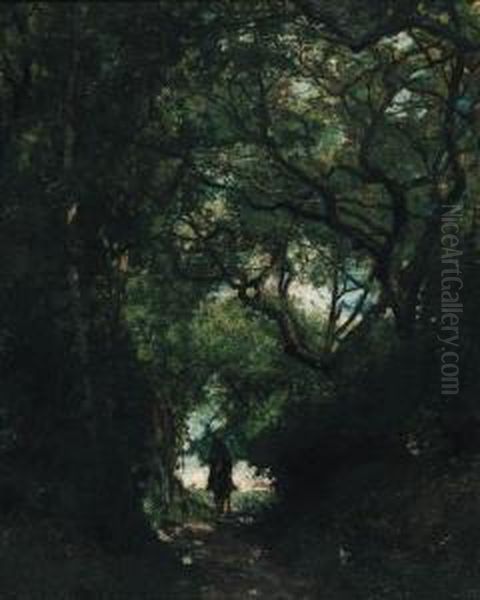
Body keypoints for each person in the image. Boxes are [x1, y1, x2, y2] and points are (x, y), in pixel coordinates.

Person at [207, 435, 235, 515]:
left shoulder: (224, 449)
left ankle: (227, 507)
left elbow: (229, 461)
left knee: (227, 482)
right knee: (213, 480)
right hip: (217, 470)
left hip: (224, 470)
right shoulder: (214, 449)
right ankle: (220, 507)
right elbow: (210, 460)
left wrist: (223, 466)